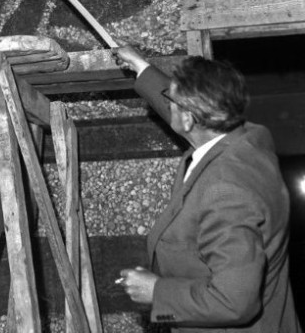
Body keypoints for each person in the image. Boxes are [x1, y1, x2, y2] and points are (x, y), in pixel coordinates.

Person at [112, 46, 302, 332]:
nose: (169, 104)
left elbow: (234, 303)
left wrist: (157, 292)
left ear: (189, 118)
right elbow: (188, 115)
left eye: (171, 100)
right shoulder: (250, 139)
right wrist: (141, 67)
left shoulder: (226, 193)